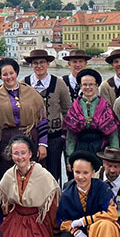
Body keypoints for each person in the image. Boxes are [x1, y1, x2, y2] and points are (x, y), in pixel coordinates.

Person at [0, 135, 60, 237]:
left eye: (23, 153)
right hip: (16, 220)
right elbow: (5, 203)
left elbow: (52, 204)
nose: (20, 157)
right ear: (11, 155)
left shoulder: (43, 175)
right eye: (16, 153)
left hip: (36, 221)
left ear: (30, 154)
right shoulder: (9, 174)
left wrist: (54, 230)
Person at [0, 57, 49, 182]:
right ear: (0, 76)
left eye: (11, 73)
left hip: (30, 139)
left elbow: (42, 121)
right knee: (7, 178)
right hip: (5, 141)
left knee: (33, 177)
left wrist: (42, 144)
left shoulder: (33, 94)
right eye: (5, 74)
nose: (9, 77)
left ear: (16, 73)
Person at [23, 49, 72, 182]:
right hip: (31, 136)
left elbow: (67, 110)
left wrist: (66, 135)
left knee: (53, 173)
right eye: (35, 63)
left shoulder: (59, 83)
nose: (39, 66)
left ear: (48, 64)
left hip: (54, 136)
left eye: (42, 62)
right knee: (30, 173)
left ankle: (54, 200)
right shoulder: (24, 84)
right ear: (31, 65)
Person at [64, 68, 120, 158]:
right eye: (84, 84)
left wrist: (115, 157)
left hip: (101, 148)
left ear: (97, 86)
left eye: (91, 84)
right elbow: (71, 137)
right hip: (80, 147)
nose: (88, 87)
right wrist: (69, 156)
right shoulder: (74, 108)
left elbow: (113, 134)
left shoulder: (105, 107)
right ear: (80, 86)